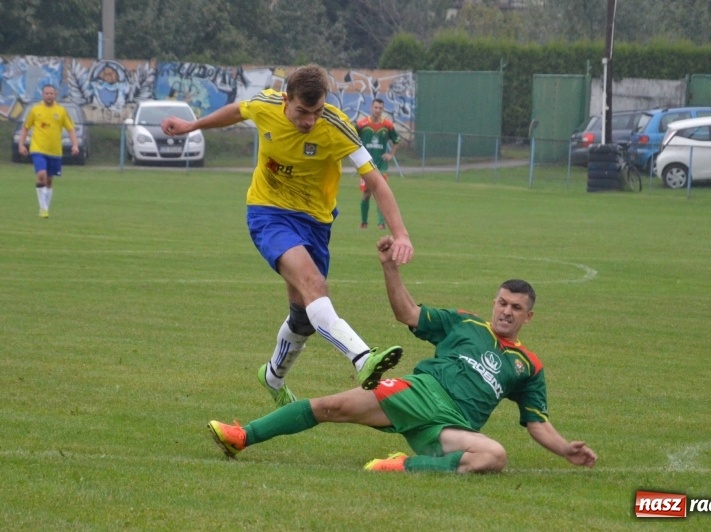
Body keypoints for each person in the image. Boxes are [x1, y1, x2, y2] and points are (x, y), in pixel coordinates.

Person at [207, 235, 598, 474]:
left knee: (494, 456)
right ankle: (242, 436)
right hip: (417, 393)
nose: (506, 311)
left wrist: (564, 448)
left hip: (451, 427)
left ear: (528, 316)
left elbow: (536, 422)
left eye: (516, 308)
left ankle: (401, 465)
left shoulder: (528, 366)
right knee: (332, 406)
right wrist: (390, 268)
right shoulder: (465, 323)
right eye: (502, 302)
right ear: (494, 301)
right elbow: (407, 313)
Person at [161, 64, 414, 405]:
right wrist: (193, 125)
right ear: (286, 100)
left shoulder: (337, 127)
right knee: (315, 286)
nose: (310, 120)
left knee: (303, 317)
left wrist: (401, 234)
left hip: (316, 223)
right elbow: (238, 110)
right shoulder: (266, 106)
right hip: (269, 213)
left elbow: (376, 181)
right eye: (302, 112)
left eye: (317, 111)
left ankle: (272, 377)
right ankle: (363, 358)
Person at [17, 84, 80, 218]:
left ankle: (45, 207)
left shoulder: (61, 111)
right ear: (42, 94)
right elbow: (25, 128)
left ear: (55, 94)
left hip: (55, 151)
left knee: (49, 180)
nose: (49, 96)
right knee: (41, 175)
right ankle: (43, 208)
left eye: (51, 93)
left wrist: (75, 145)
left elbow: (70, 129)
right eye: (46, 93)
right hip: (38, 148)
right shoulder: (35, 110)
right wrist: (21, 145)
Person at [355, 98, 400, 230]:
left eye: (380, 108)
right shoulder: (362, 124)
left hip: (381, 166)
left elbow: (396, 140)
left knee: (381, 193)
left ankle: (381, 223)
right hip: (365, 165)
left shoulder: (387, 125)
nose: (378, 110)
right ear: (371, 107)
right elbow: (351, 138)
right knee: (366, 194)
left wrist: (391, 154)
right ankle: (364, 222)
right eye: (376, 107)